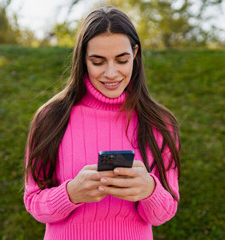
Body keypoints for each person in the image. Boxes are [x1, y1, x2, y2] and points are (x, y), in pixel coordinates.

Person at [24, 6, 181, 240]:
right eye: (98, 62)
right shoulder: (51, 117)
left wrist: (150, 190)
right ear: (83, 60)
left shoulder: (160, 123)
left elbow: (164, 212)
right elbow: (33, 202)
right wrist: (70, 194)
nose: (111, 73)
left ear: (135, 54)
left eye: (122, 60)